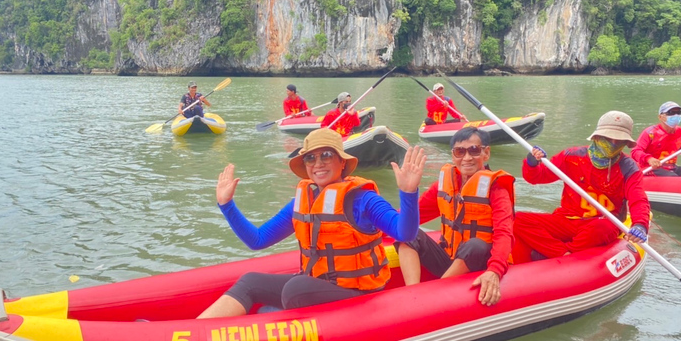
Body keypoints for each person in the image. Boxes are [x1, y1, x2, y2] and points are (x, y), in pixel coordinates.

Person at [197, 128, 426, 318]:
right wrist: (226, 205)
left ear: (342, 162)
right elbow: (258, 240)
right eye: (310, 157)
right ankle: (198, 332)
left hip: (357, 291)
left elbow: (404, 233)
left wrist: (409, 193)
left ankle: (271, 314)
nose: (318, 163)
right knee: (250, 282)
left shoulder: (363, 199)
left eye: (326, 155)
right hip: (315, 285)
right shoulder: (302, 201)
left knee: (296, 289)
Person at [512, 111, 651, 263]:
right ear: (597, 137)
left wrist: (640, 224)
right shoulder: (571, 156)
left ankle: (564, 252)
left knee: (603, 227)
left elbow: (638, 200)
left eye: (618, 140)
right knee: (517, 219)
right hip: (566, 219)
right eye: (607, 138)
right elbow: (537, 177)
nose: (612, 144)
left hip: (600, 222)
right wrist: (532, 163)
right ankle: (562, 253)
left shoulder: (629, 168)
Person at [396, 128, 514, 306]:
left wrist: (495, 270)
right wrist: (408, 192)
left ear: (486, 153)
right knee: (408, 233)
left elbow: (504, 233)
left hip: (479, 262)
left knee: (476, 245)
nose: (466, 158)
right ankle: (414, 294)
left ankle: (434, 294)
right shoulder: (445, 184)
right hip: (449, 258)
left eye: (474, 150)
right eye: (460, 151)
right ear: (453, 155)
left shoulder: (497, 189)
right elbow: (413, 215)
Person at [631, 101, 681, 177]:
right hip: (651, 168)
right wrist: (649, 159)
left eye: (678, 112)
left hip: (671, 167)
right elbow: (635, 151)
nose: (676, 115)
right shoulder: (650, 132)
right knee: (672, 177)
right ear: (660, 117)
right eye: (671, 112)